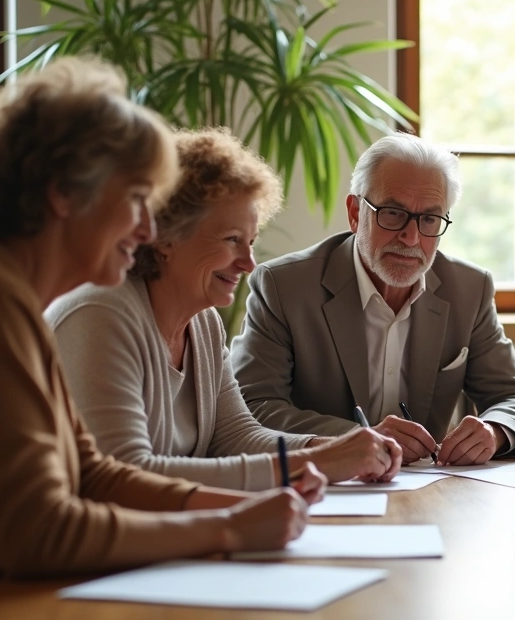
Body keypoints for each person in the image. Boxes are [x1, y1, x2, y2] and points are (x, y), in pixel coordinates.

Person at [0, 59, 325, 619]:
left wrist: (246, 508)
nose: (148, 229)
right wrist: (227, 526)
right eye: (135, 199)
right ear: (64, 195)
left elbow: (94, 473)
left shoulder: (3, 293)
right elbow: (39, 533)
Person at [46, 128, 403, 490]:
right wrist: (317, 461)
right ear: (165, 234)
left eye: (250, 242)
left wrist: (333, 448)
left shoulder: (203, 322)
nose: (248, 263)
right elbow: (125, 475)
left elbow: (236, 436)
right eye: (232, 240)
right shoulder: (99, 314)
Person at [232, 132, 515, 466]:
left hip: (431, 490)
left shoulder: (469, 290)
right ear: (355, 213)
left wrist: (493, 430)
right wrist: (357, 439)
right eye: (393, 213)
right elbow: (252, 406)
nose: (411, 237)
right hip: (324, 485)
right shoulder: (285, 287)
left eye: (429, 219)